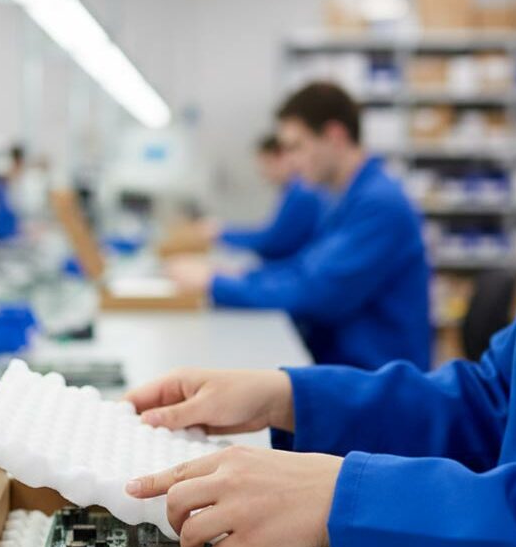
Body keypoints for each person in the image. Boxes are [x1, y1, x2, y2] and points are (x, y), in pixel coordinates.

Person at [120, 0, 516, 547]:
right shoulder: (346, 199)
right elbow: (500, 406)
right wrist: (289, 395)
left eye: (296, 145)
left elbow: (312, 289)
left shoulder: (374, 203)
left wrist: (348, 498)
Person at [168, 83, 431, 372]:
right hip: (346, 367)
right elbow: (304, 268)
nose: (290, 162)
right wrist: (236, 276)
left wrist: (215, 283)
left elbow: (317, 292)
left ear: (335, 137)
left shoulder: (380, 204)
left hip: (376, 380)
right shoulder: (339, 197)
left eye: (296, 147)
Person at [211, 134, 327, 261]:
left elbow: (273, 241)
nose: (263, 172)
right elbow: (272, 235)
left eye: (266, 164)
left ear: (282, 157)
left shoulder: (303, 192)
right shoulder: (294, 190)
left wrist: (223, 234)